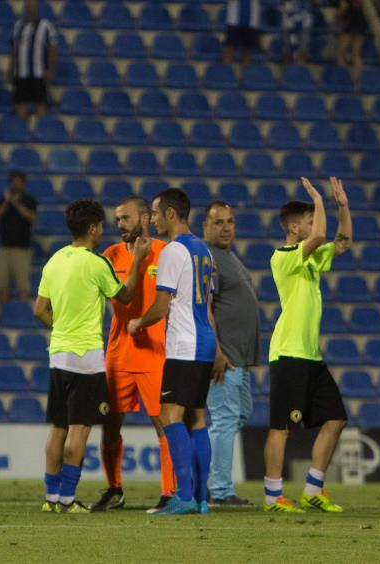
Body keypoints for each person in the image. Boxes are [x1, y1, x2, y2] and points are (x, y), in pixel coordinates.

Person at [35, 199, 151, 513]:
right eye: (101, 225)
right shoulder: (97, 263)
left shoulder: (55, 260)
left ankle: (51, 498)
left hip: (58, 355)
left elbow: (39, 310)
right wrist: (138, 260)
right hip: (86, 358)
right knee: (80, 428)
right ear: (92, 228)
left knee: (58, 427)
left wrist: (61, 328)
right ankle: (68, 500)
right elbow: (125, 296)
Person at [127, 188, 226, 516]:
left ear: (171, 214)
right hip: (204, 340)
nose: (152, 220)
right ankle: (199, 499)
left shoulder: (172, 251)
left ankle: (183, 496)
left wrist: (138, 322)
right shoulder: (204, 251)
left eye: (155, 213)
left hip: (183, 343)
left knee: (170, 414)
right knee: (196, 418)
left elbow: (161, 305)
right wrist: (216, 346)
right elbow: (208, 305)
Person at [261, 177, 352, 514]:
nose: (315, 225)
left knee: (336, 419)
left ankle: (313, 489)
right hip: (288, 354)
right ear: (295, 228)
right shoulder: (283, 258)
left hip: (311, 356)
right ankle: (273, 496)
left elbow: (341, 242)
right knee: (280, 427)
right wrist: (318, 198)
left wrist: (342, 207)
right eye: (311, 220)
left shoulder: (311, 260)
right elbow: (319, 237)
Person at [89, 196, 174, 514]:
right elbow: (121, 301)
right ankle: (114, 489)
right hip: (118, 355)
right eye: (117, 219)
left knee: (163, 425)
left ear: (145, 219)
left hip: (154, 354)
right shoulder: (109, 256)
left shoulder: (164, 254)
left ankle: (169, 492)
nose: (119, 224)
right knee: (110, 425)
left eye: (125, 218)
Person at [204, 200, 259, 507]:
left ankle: (210, 480)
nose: (226, 228)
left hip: (240, 356)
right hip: (225, 357)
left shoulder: (228, 256)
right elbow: (206, 307)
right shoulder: (209, 257)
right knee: (225, 419)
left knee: (239, 414)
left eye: (230, 222)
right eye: (219, 222)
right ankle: (220, 490)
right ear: (205, 226)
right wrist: (217, 351)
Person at [0, 171, 36, 308]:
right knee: (1, 285)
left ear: (23, 184)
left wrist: (17, 204)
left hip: (22, 249)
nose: (16, 184)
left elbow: (32, 218)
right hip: (4, 248)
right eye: (14, 181)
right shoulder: (3, 199)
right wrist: (7, 201)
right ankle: (1, 318)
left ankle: (22, 314)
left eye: (19, 181)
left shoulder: (29, 200)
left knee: (23, 287)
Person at [11, 0, 57, 118]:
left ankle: (41, 130)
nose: (31, 9)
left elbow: (52, 49)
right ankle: (22, 132)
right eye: (29, 6)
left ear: (37, 8)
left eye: (33, 6)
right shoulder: (19, 26)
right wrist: (11, 68)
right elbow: (14, 49)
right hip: (21, 72)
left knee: (40, 103)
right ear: (25, 8)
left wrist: (50, 69)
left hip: (39, 72)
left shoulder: (46, 26)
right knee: (21, 102)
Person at [223, 0, 262, 65]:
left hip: (251, 22)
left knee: (247, 51)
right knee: (229, 48)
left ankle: (245, 74)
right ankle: (225, 70)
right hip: (234, 21)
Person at [335, 0, 366, 76]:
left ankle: (342, 76)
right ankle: (358, 82)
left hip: (352, 24)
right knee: (356, 54)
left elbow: (344, 8)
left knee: (340, 52)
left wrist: (337, 16)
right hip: (361, 24)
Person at [280, 0, 312, 65]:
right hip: (288, 28)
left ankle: (301, 68)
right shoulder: (285, 3)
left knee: (303, 49)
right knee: (286, 50)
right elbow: (285, 18)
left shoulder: (305, 3)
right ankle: (286, 70)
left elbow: (307, 19)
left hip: (303, 28)